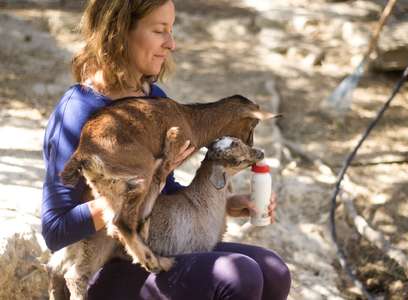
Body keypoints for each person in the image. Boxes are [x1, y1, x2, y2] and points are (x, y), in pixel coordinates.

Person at [41, 1, 291, 299]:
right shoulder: (78, 111)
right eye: (160, 31)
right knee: (240, 277)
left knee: (273, 270)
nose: (171, 44)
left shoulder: (154, 99)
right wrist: (126, 194)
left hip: (152, 243)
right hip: (99, 266)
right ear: (118, 33)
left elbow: (165, 193)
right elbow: (56, 230)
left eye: (171, 31)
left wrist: (223, 203)